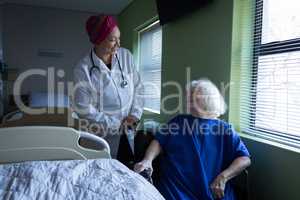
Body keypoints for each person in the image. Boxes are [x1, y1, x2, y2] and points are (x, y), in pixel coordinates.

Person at [134, 78, 251, 200]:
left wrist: (223, 177)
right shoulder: (179, 121)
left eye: (193, 96)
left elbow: (244, 159)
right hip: (176, 190)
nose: (187, 99)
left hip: (212, 191)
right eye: (188, 96)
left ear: (208, 99)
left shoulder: (225, 130)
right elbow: (159, 141)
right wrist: (147, 160)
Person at [72, 15, 144, 158]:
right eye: (112, 40)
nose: (118, 44)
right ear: (98, 41)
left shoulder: (126, 56)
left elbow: (138, 87)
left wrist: (135, 114)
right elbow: (83, 107)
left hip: (129, 128)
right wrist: (115, 124)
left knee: (127, 165)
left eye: (119, 38)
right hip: (101, 134)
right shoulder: (83, 68)